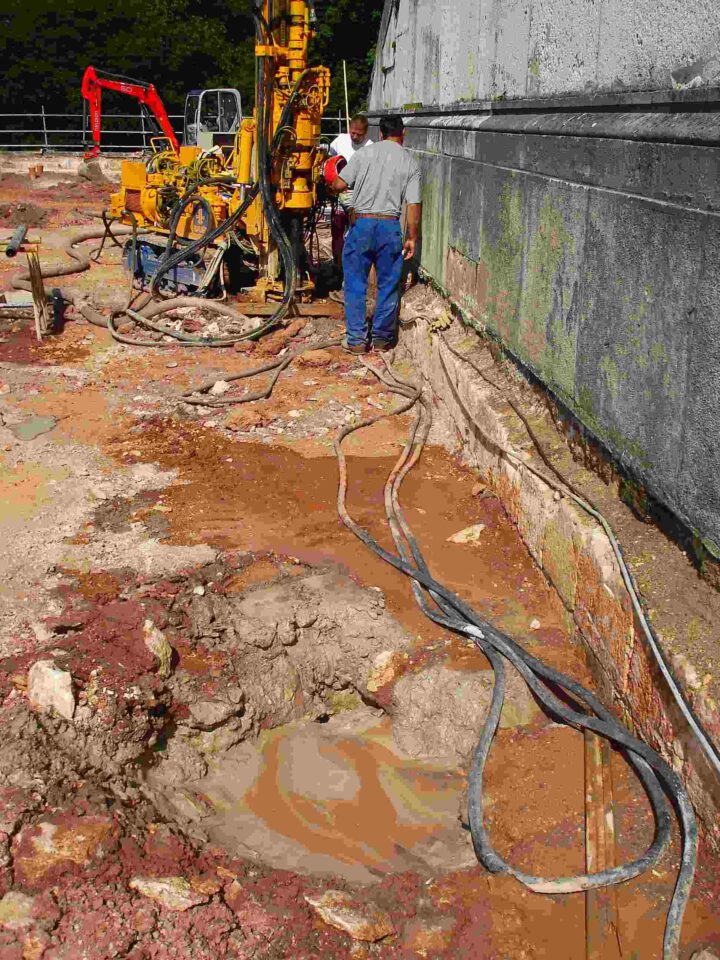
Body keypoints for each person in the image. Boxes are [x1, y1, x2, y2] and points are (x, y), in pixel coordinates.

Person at [330, 114, 421, 353]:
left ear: (379, 134)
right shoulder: (410, 163)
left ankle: (357, 340)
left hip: (362, 224)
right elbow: (413, 205)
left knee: (355, 283)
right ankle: (381, 339)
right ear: (403, 134)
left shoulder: (363, 154)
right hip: (390, 226)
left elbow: (338, 184)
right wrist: (412, 237)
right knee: (389, 284)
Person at [328, 115, 373, 268]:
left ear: (365, 133)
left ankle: (354, 265)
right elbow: (330, 156)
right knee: (337, 228)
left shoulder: (370, 147)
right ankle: (338, 265)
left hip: (359, 196)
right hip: (339, 193)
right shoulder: (341, 140)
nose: (354, 136)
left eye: (358, 134)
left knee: (357, 231)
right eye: (352, 132)